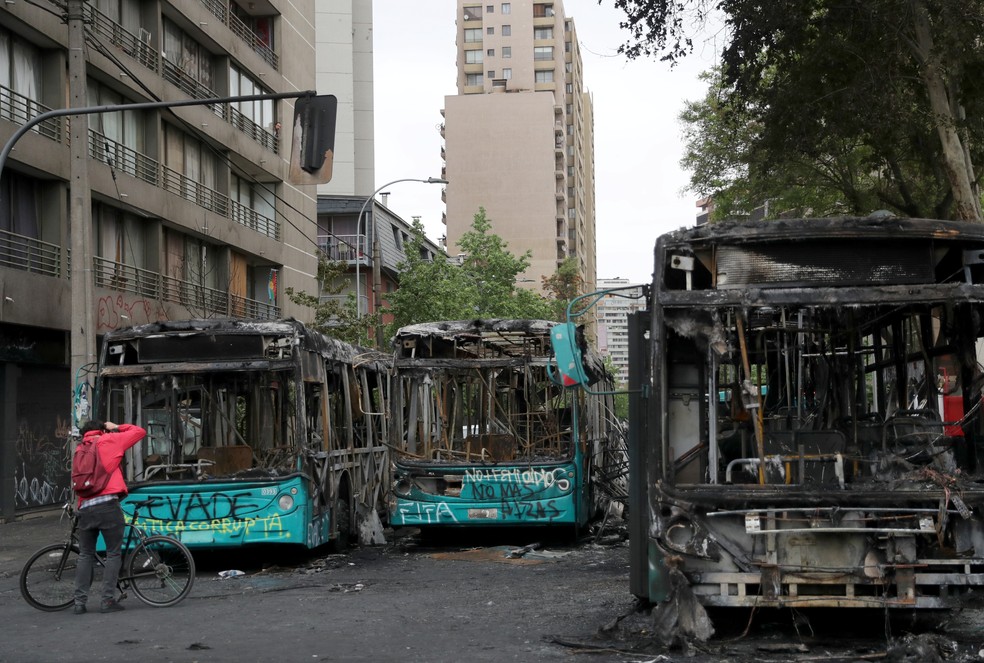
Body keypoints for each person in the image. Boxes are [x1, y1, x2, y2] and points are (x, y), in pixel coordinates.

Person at [72, 420, 146, 615]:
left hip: (86, 507)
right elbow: (139, 431)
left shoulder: (80, 449)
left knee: (85, 554)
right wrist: (116, 427)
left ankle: (79, 602)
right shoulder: (109, 440)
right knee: (113, 553)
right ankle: (107, 600)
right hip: (107, 506)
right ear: (102, 430)